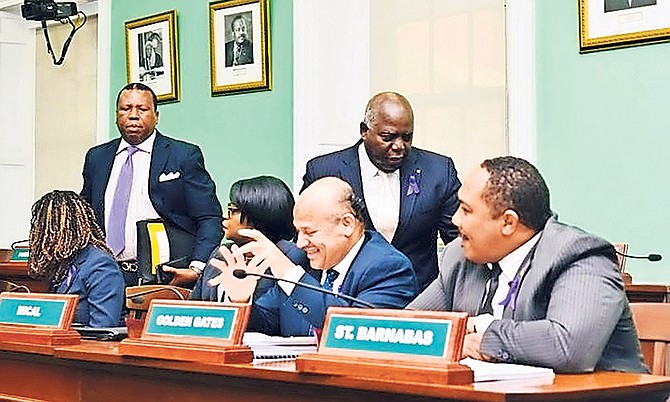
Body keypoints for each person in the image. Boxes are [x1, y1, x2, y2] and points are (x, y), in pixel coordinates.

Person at [408, 156, 647, 374]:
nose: (455, 220)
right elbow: (403, 329)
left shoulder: (582, 257)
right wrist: (455, 338)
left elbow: (568, 347)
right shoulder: (459, 257)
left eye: (466, 210)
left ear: (508, 223)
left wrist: (484, 334)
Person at [210, 177, 418, 336]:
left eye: (310, 232)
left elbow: (350, 330)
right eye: (298, 232)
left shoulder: (388, 267)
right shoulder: (302, 260)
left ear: (346, 224)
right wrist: (241, 301)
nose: (300, 243)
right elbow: (266, 323)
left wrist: (288, 273)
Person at [301, 92, 461, 291]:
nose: (399, 146)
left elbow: (460, 240)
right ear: (364, 131)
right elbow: (307, 236)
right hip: (349, 297)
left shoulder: (437, 171)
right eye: (388, 137)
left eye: (407, 137)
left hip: (420, 298)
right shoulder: (325, 171)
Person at [80, 83, 223, 287]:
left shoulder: (183, 155)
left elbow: (209, 217)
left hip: (164, 276)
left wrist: (196, 268)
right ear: (116, 115)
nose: (133, 115)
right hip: (103, 273)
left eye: (142, 109)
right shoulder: (97, 158)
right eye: (126, 108)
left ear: (156, 116)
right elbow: (84, 217)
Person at [190, 176, 310, 301]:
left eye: (232, 210)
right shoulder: (221, 253)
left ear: (258, 214)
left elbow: (278, 315)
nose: (225, 216)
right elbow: (195, 305)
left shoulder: (289, 256)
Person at [28, 190, 125, 327]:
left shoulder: (100, 265)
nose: (42, 236)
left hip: (89, 345)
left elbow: (103, 328)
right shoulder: (61, 263)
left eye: (49, 228)